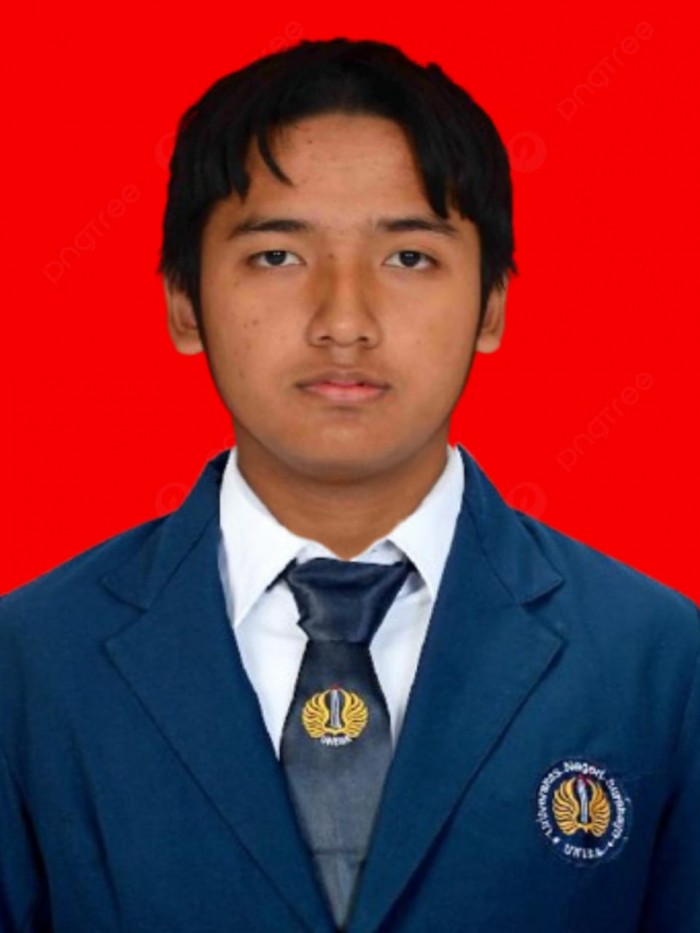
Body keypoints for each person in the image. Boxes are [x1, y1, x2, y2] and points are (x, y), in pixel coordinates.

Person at [0, 37, 698, 933]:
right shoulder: (29, 664)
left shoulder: (660, 661)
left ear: (491, 303)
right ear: (183, 299)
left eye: (407, 257)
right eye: (277, 256)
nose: (343, 321)